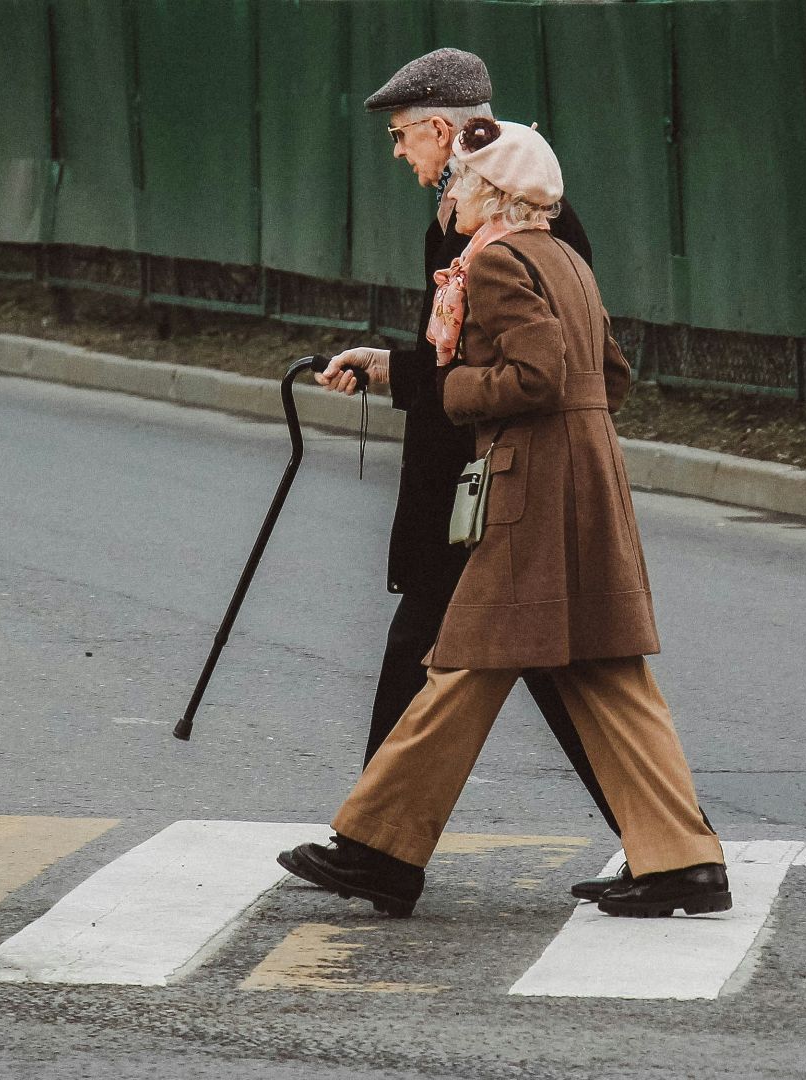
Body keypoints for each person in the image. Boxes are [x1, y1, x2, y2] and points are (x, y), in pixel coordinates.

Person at [281, 118, 730, 920]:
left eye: (458, 181)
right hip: (588, 479)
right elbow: (609, 375)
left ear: (489, 191)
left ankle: (380, 849)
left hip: (530, 491)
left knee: (463, 665)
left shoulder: (493, 263)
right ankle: (685, 863)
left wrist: (456, 396)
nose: (447, 192)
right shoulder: (561, 259)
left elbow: (537, 374)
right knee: (605, 670)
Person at [316, 48, 629, 902]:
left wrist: (404, 374)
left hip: (496, 489)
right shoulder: (489, 220)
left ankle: (377, 850)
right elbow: (453, 357)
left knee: (517, 669)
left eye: (402, 137)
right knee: (466, 659)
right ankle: (375, 850)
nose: (399, 155)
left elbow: (529, 370)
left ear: (443, 131)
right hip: (482, 484)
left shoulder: (498, 231)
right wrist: (391, 366)